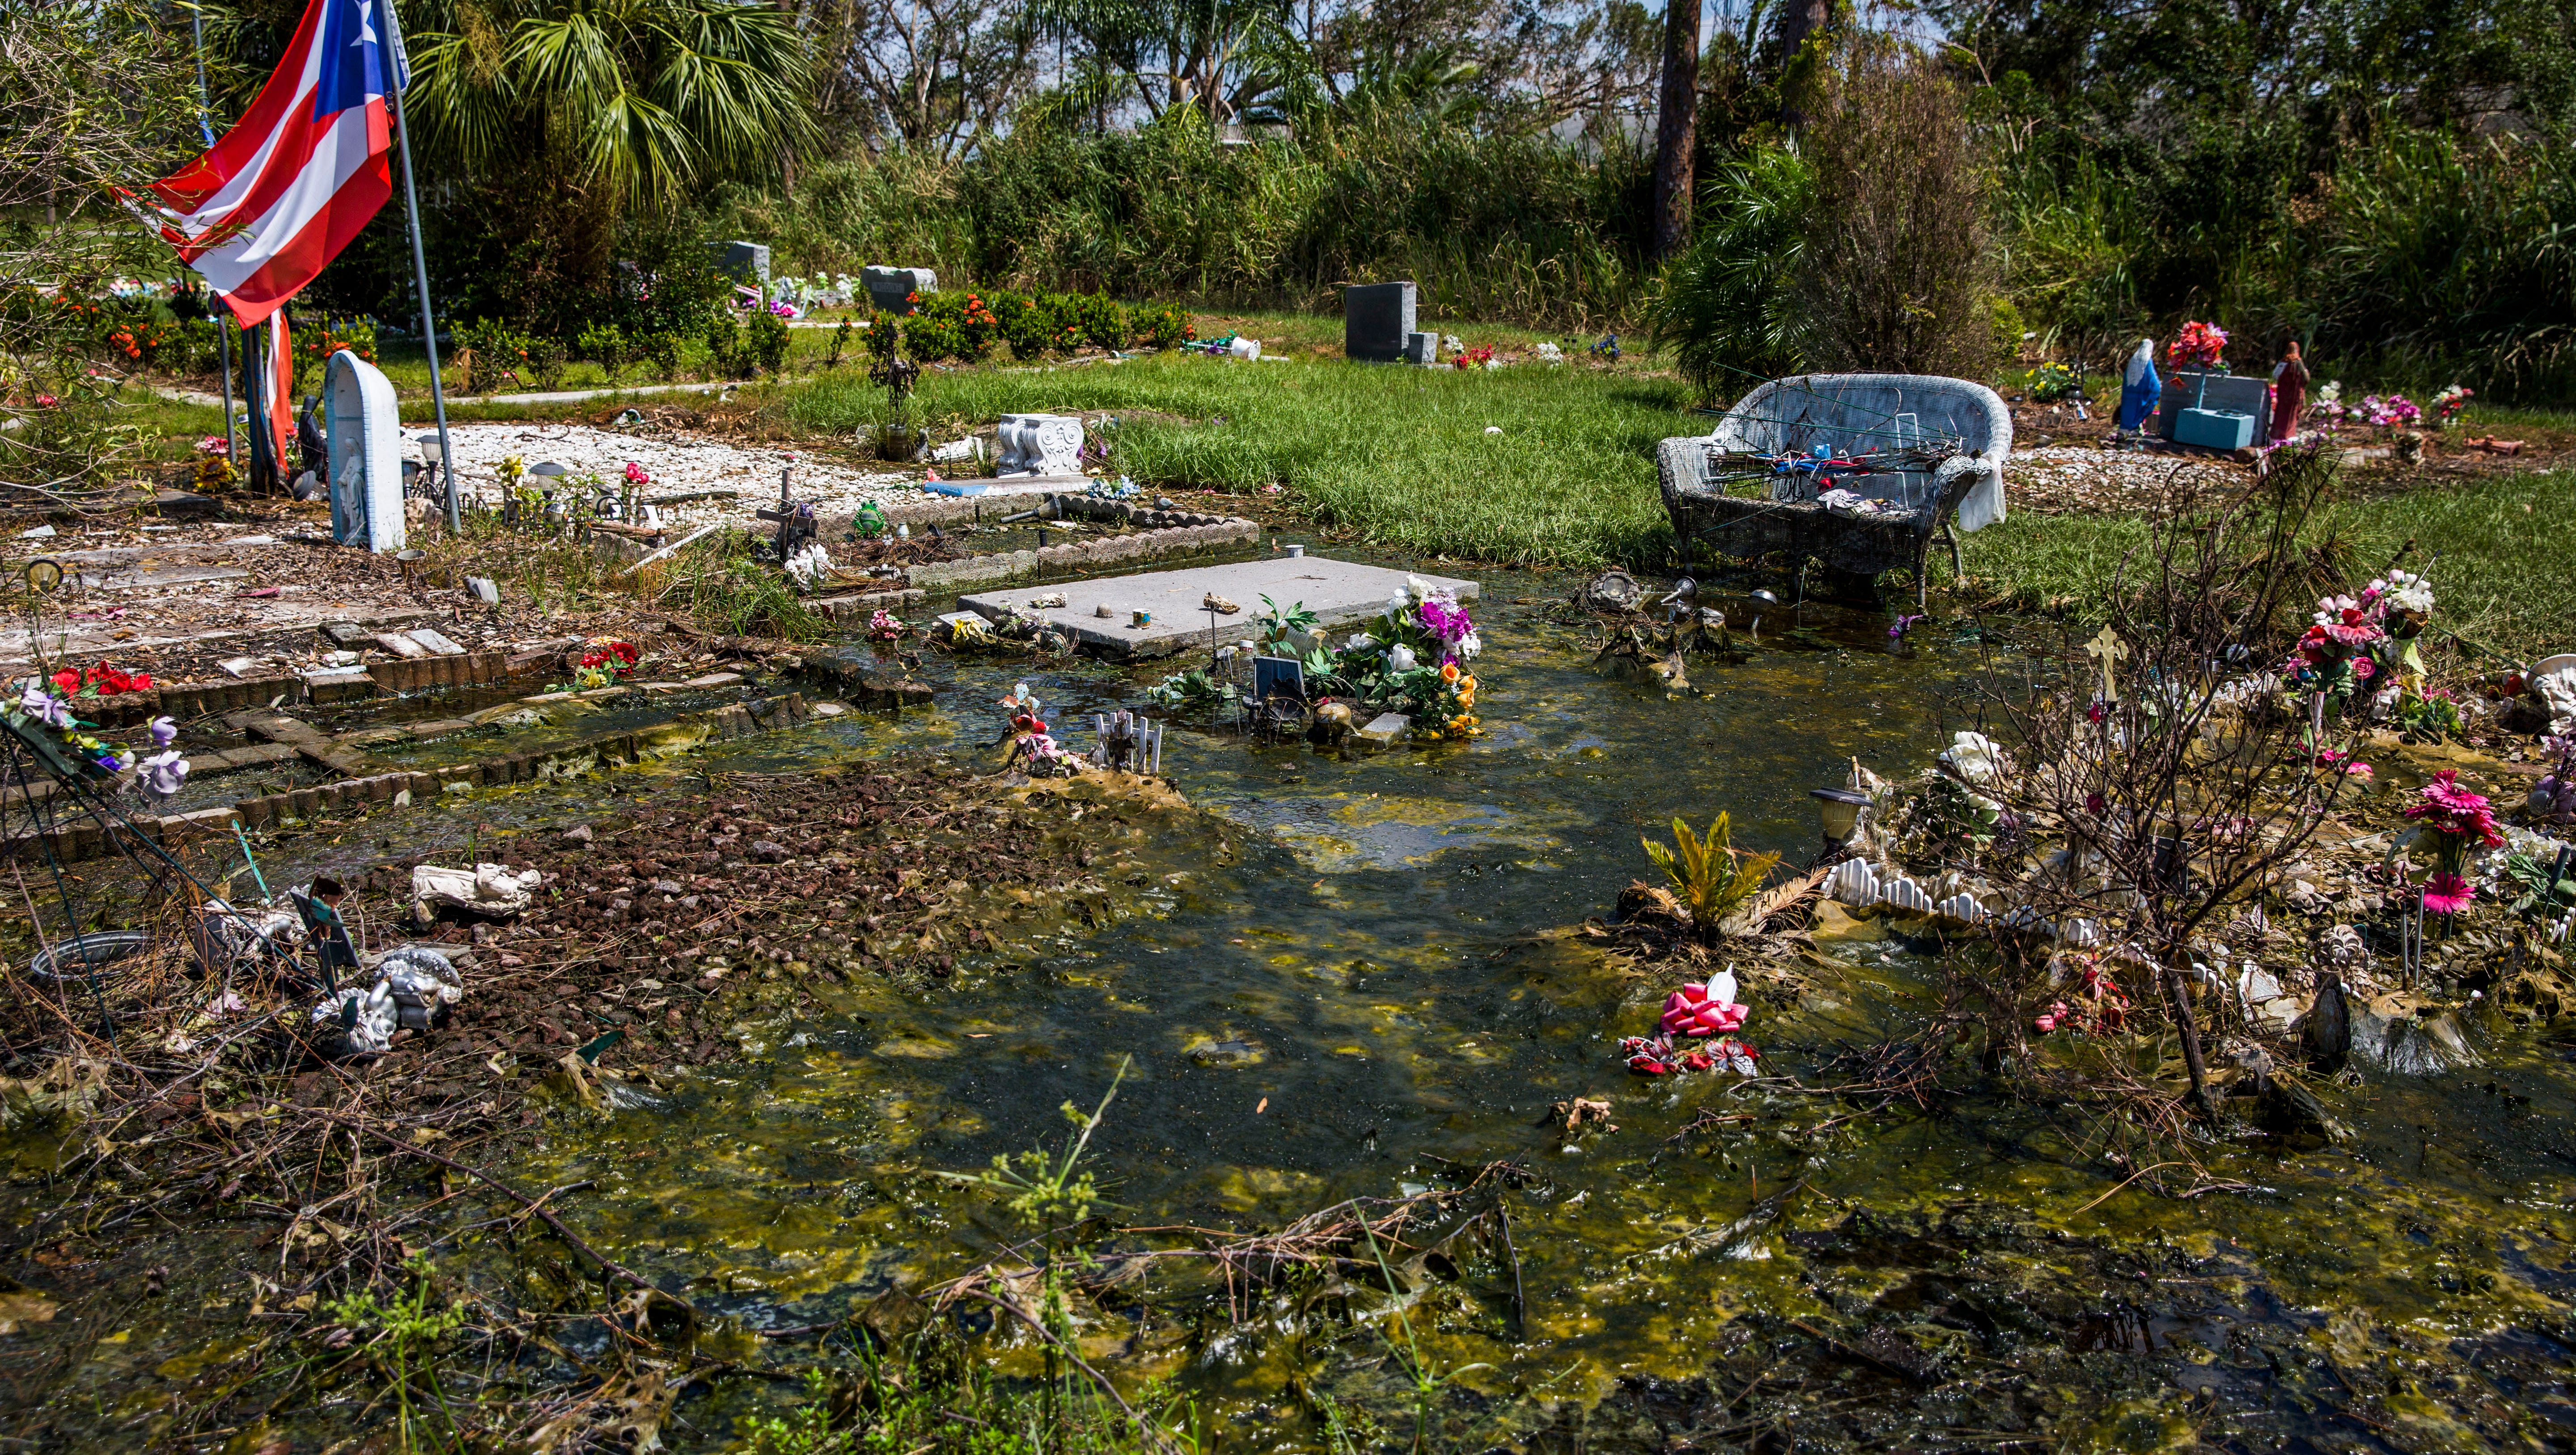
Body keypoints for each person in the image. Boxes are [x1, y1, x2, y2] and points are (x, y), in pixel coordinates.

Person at [2115, 338, 2161, 443]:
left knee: (2128, 412)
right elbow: (2154, 382)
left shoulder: (2133, 360)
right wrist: (2158, 388)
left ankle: (2124, 431)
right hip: (2140, 396)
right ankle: (2132, 430)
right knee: (2139, 411)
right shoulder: (2147, 362)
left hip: (2128, 395)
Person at [2269, 340, 2310, 443]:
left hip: (2283, 394)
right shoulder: (2299, 363)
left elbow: (2275, 375)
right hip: (2294, 395)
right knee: (2291, 415)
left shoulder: (2283, 362)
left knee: (2280, 413)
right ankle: (2288, 434)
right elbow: (2306, 378)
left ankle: (2276, 434)